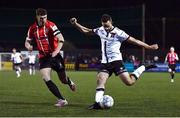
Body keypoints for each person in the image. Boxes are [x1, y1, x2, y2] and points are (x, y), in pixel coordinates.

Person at [70, 14, 158, 109]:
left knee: (129, 82)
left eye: (107, 26)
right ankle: (97, 104)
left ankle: (143, 67)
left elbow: (135, 41)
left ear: (111, 22)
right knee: (100, 80)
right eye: (104, 26)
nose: (106, 28)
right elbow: (86, 31)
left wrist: (148, 47)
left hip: (116, 62)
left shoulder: (119, 33)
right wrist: (75, 24)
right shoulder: (100, 30)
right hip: (105, 63)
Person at [25, 8, 76, 107]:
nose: (43, 20)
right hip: (43, 57)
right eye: (41, 18)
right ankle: (62, 100)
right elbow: (27, 41)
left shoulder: (51, 25)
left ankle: (69, 82)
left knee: (63, 80)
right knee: (45, 77)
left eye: (45, 17)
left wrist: (56, 51)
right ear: (37, 17)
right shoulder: (32, 28)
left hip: (55, 56)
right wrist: (28, 46)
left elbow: (61, 38)